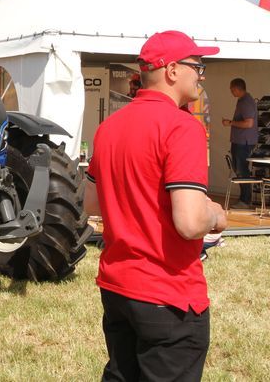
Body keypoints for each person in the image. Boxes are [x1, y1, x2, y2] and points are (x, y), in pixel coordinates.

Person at [83, 30, 227, 381]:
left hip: (118, 287)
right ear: (173, 70)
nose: (202, 75)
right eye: (198, 65)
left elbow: (90, 202)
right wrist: (216, 214)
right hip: (169, 294)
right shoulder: (182, 127)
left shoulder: (109, 127)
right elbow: (190, 223)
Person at [222, 78, 258, 208]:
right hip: (240, 141)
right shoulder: (243, 100)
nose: (231, 92)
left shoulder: (246, 102)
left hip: (244, 142)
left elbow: (249, 123)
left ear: (237, 88)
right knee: (239, 170)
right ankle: (244, 199)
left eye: (232, 89)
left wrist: (230, 123)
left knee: (242, 171)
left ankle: (245, 200)